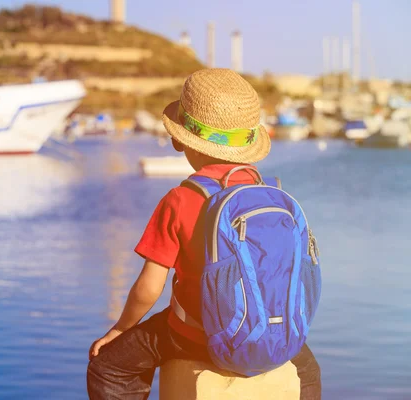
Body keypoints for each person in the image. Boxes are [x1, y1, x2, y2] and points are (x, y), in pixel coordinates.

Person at [87, 69, 321, 400]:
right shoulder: (269, 193)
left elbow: (149, 287)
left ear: (180, 140)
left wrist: (122, 328)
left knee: (110, 367)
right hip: (267, 332)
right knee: (308, 371)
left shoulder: (180, 199)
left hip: (197, 338)